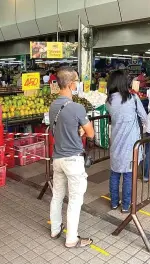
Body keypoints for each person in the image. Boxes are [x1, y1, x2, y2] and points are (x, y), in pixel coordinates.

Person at [49, 66, 95, 248]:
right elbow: (90, 133)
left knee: (57, 195)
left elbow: (58, 128)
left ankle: (55, 229)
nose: (77, 84)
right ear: (69, 84)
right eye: (75, 81)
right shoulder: (77, 107)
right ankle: (71, 239)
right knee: (75, 200)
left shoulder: (53, 106)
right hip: (73, 160)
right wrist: (82, 131)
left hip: (57, 158)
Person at [106, 70, 147, 213]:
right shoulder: (133, 99)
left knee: (115, 173)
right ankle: (125, 206)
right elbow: (144, 117)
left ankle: (114, 203)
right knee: (129, 175)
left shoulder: (108, 101)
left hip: (116, 142)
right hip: (131, 145)